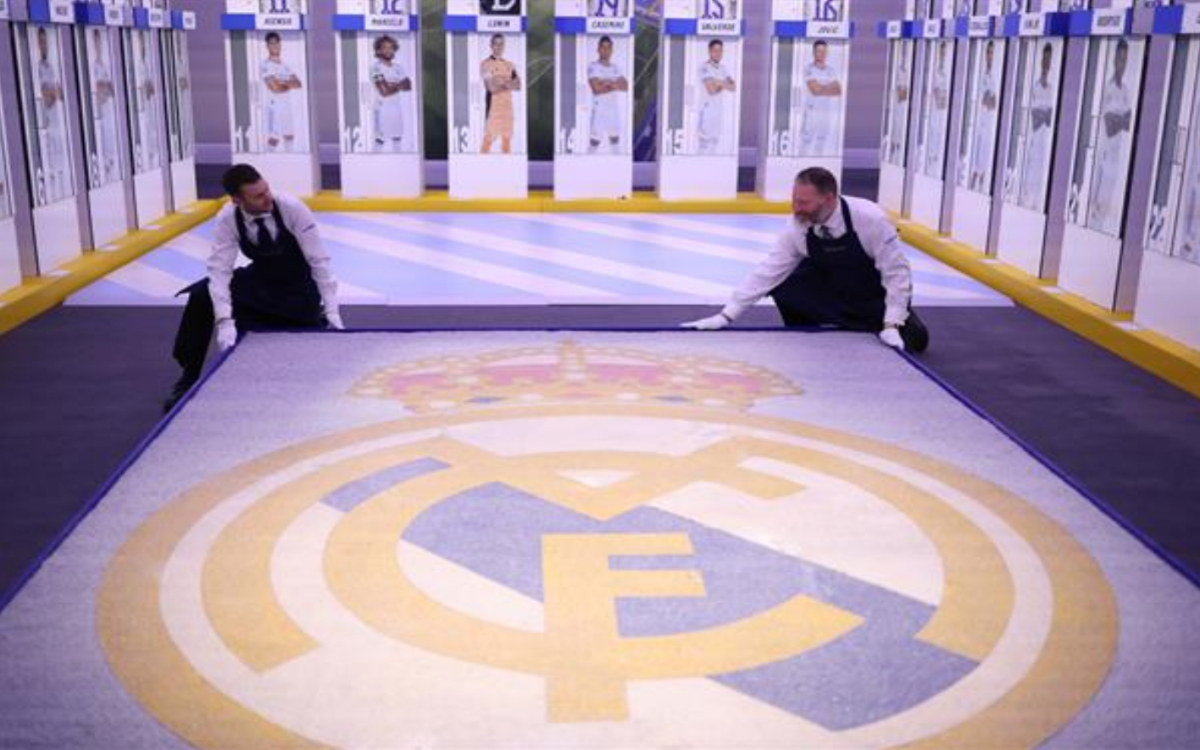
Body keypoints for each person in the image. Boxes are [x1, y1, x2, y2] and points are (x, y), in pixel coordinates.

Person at [682, 167, 929, 353]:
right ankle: (810, 333)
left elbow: (896, 274)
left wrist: (892, 324)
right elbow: (769, 270)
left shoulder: (870, 219)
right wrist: (726, 315)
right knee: (787, 282)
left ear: (829, 199)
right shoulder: (797, 225)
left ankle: (877, 323)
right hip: (833, 291)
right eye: (794, 200)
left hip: (871, 295)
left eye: (803, 203)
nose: (796, 208)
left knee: (915, 342)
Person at [164, 165, 344, 411]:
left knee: (307, 362)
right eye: (258, 196)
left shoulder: (291, 207)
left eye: (266, 189)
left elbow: (319, 260)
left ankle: (312, 321)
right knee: (201, 294)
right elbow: (220, 270)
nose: (267, 197)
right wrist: (224, 322)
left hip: (298, 288)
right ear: (237, 200)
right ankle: (188, 377)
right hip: (260, 281)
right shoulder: (228, 218)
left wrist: (332, 310)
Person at [1088, 39, 1132, 235]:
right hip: (1104, 154)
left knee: (1107, 206)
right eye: (1120, 59)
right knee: (1097, 205)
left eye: (1125, 59)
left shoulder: (1126, 91)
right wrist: (1119, 120)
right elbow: (1110, 125)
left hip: (1116, 157)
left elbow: (1128, 123)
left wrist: (1118, 119)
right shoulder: (1108, 88)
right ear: (1114, 60)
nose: (1122, 64)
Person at [1020, 41, 1056, 210]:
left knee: (1040, 181)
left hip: (1044, 144)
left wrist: (1043, 114)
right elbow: (1036, 120)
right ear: (1041, 61)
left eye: (1049, 60)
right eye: (1045, 59)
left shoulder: (1051, 89)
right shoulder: (1035, 86)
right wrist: (1044, 114)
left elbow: (1049, 119)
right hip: (1034, 142)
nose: (1046, 64)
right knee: (1030, 178)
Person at [36, 26, 68, 203]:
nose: (44, 45)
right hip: (46, 126)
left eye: (45, 42)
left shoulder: (51, 67)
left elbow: (60, 94)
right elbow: (46, 97)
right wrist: (53, 92)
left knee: (61, 166)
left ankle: (63, 198)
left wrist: (53, 92)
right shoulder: (38, 69)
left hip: (57, 124)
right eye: (41, 42)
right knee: (51, 171)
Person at [261, 32, 302, 153]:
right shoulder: (265, 65)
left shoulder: (285, 65)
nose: (274, 46)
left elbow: (298, 83)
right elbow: (274, 88)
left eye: (276, 43)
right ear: (267, 46)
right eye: (271, 43)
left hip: (287, 106)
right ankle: (268, 159)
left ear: (280, 44)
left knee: (289, 135)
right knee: (274, 138)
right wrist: (288, 83)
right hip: (275, 106)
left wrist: (281, 82)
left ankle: (290, 158)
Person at [800, 40, 843, 157]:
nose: (822, 54)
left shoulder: (830, 70)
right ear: (814, 52)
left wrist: (821, 87)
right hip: (811, 111)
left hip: (825, 111)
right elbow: (815, 90)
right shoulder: (808, 69)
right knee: (807, 140)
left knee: (821, 140)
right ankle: (802, 162)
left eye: (824, 51)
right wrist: (828, 87)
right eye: (819, 51)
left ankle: (818, 162)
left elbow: (838, 90)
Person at [370, 35, 412, 153]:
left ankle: (398, 162)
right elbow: (384, 91)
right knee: (380, 141)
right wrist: (399, 84)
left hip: (396, 109)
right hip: (382, 109)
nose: (388, 50)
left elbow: (408, 86)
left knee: (397, 140)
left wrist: (391, 85)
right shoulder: (376, 68)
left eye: (391, 48)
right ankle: (375, 162)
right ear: (378, 50)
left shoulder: (398, 67)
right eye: (385, 48)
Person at [587, 35, 628, 154]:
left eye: (608, 48)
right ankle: (586, 164)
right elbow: (596, 89)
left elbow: (625, 86)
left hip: (613, 111)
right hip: (599, 110)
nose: (606, 50)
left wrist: (606, 82)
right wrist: (615, 84)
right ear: (598, 49)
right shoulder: (593, 66)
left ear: (612, 50)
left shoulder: (615, 67)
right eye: (603, 47)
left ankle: (617, 164)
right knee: (594, 143)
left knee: (615, 142)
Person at [481, 34, 521, 155]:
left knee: (506, 140)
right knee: (488, 140)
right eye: (496, 44)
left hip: (508, 109)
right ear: (491, 45)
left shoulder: (509, 65)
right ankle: (480, 164)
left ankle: (507, 165)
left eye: (501, 44)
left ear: (504, 46)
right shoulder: (485, 64)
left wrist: (500, 82)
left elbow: (518, 85)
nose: (498, 47)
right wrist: (508, 84)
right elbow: (491, 88)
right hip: (493, 108)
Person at [968, 40, 999, 193]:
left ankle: (981, 181)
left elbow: (993, 102)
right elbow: (982, 98)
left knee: (985, 151)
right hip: (979, 120)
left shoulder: (996, 75)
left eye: (991, 53)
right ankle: (973, 180)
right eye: (988, 52)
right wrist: (987, 98)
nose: (989, 56)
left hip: (989, 121)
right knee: (976, 149)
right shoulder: (981, 74)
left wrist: (988, 98)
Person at [697, 38, 736, 155]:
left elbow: (733, 87)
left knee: (714, 144)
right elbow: (711, 90)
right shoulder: (704, 67)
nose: (718, 53)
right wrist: (723, 84)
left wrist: (717, 81)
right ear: (709, 51)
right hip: (707, 111)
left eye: (720, 51)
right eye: (715, 50)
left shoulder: (723, 68)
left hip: (718, 112)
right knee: (704, 145)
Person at [90, 28, 119, 185]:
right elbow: (97, 92)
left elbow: (113, 90)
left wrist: (105, 87)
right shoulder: (91, 67)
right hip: (98, 119)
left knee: (111, 158)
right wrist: (104, 87)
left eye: (99, 42)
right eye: (95, 42)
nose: (97, 46)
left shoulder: (105, 66)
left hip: (108, 118)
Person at [134, 30, 161, 171]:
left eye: (143, 42)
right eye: (140, 42)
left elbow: (151, 89)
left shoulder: (146, 63)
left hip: (150, 112)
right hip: (140, 114)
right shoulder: (134, 65)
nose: (142, 45)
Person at [924, 40, 950, 177]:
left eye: (944, 53)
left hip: (941, 116)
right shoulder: (933, 72)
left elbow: (943, 98)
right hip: (933, 115)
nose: (943, 56)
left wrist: (941, 96)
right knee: (932, 141)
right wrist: (940, 96)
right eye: (941, 53)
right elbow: (936, 95)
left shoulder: (946, 73)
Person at [888, 47, 910, 163]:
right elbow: (900, 92)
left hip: (902, 108)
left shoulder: (907, 72)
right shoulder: (896, 71)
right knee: (895, 127)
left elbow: (904, 93)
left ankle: (897, 150)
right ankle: (892, 152)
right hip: (895, 108)